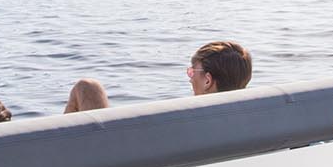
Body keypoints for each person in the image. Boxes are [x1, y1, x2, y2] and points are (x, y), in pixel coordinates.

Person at [67, 38, 252, 112]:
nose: (190, 78)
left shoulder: (188, 119)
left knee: (88, 88)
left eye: (192, 72)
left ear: (207, 80)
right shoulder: (254, 120)